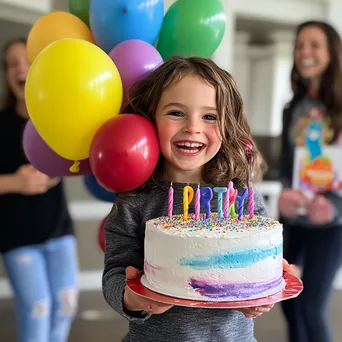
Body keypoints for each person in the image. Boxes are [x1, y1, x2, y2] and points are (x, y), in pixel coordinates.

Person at [103, 56, 294, 342]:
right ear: (150, 117)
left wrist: (262, 296)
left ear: (227, 124)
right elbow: (114, 273)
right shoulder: (135, 199)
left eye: (209, 116)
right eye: (176, 113)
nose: (193, 127)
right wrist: (131, 298)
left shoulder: (241, 196)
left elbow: (263, 268)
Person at [0, 38, 78, 342]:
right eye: (12, 63)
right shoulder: (1, 123)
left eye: (26, 61)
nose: (20, 68)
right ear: (8, 74)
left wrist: (52, 174)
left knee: (65, 305)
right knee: (38, 307)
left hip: (58, 229)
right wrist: (15, 182)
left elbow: (71, 161)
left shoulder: (52, 119)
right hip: (17, 236)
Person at [278, 21, 342, 342]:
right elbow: (287, 167)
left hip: (332, 225)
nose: (305, 52)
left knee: (311, 306)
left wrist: (332, 205)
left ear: (332, 52)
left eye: (314, 45)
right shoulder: (292, 109)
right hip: (293, 218)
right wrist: (284, 194)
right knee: (288, 302)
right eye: (300, 44)